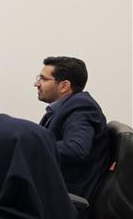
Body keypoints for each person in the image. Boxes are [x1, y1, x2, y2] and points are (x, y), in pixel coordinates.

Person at [34, 56, 108, 200]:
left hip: (61, 197)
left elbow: (76, 148)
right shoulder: (61, 109)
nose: (36, 84)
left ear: (64, 86)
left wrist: (31, 147)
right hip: (47, 187)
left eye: (43, 79)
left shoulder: (81, 108)